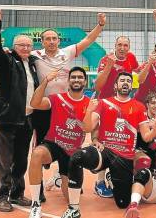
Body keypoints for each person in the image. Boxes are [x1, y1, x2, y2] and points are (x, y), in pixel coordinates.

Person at [61, 72, 156, 218]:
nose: (125, 83)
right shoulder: (103, 103)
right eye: (122, 81)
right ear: (116, 86)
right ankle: (73, 208)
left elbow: (146, 137)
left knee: (122, 203)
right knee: (77, 157)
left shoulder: (139, 107)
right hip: (105, 150)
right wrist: (89, 109)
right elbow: (88, 128)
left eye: (128, 81)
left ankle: (111, 176)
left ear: (131, 86)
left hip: (125, 156)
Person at [31, 12, 106, 201]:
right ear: (42, 42)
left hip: (64, 108)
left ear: (58, 40)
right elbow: (19, 53)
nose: (51, 41)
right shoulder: (34, 54)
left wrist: (100, 25)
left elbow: (88, 40)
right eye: (47, 39)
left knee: (69, 142)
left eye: (54, 38)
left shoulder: (67, 52)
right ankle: (37, 193)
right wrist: (9, 51)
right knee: (38, 152)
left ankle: (66, 173)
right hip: (44, 107)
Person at [0, 9, 39, 212]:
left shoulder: (32, 63)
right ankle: (1, 196)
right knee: (5, 161)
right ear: (13, 47)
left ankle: (16, 194)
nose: (26, 48)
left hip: (26, 118)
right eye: (21, 45)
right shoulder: (6, 61)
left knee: (21, 161)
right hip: (8, 119)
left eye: (28, 45)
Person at [28, 66, 90, 218]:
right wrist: (45, 82)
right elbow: (34, 103)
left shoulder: (90, 103)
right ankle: (35, 204)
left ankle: (58, 178)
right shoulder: (57, 98)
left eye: (80, 77)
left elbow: (91, 129)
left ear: (85, 82)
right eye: (73, 77)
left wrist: (95, 141)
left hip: (73, 151)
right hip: (53, 144)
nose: (76, 80)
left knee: (71, 199)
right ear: (68, 81)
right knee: (37, 154)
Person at [93, 35, 139, 198]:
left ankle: (114, 172)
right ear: (115, 45)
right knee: (103, 141)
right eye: (119, 45)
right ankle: (99, 183)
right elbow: (97, 86)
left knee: (120, 139)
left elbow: (135, 80)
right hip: (106, 106)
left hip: (123, 106)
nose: (122, 48)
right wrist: (109, 67)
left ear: (129, 46)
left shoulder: (132, 58)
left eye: (125, 45)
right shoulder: (106, 59)